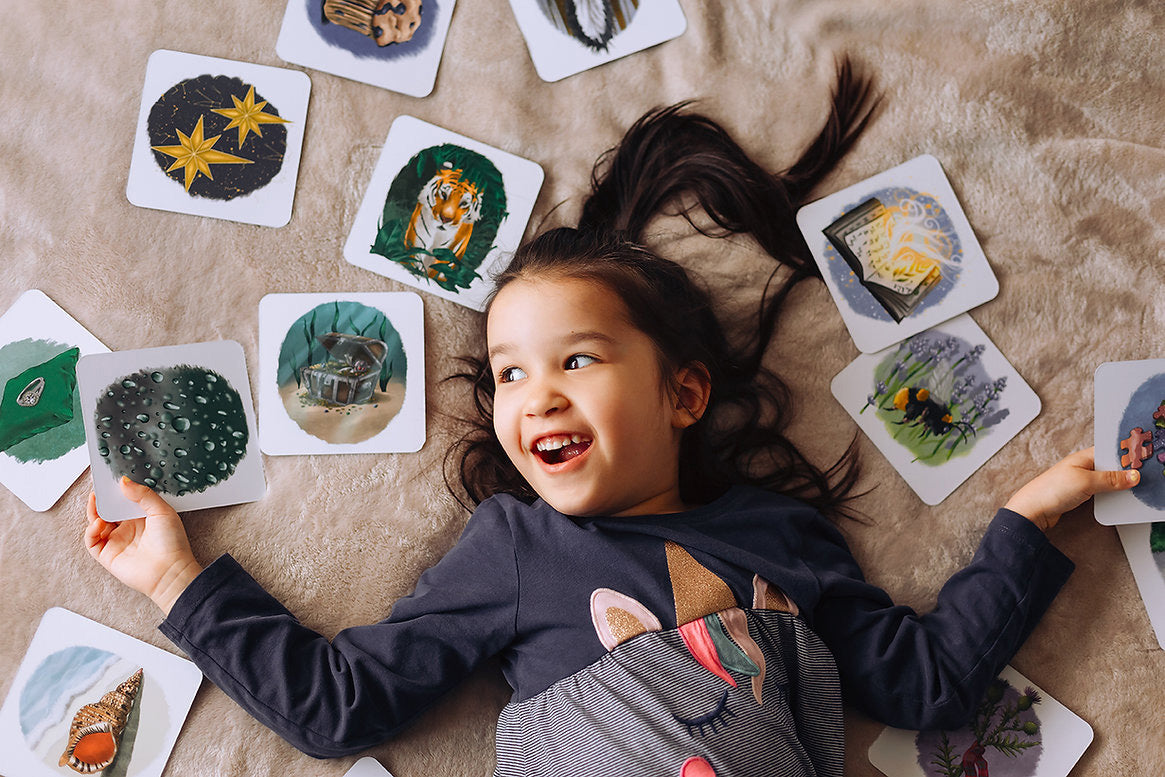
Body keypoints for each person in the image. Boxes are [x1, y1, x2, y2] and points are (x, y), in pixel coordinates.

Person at [83, 60, 1139, 776]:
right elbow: (338, 703)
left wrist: (1030, 514)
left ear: (682, 392)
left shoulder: (784, 541)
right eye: (506, 374)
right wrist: (179, 577)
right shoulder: (514, 550)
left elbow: (926, 684)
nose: (533, 393)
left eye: (575, 360)